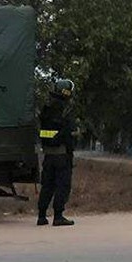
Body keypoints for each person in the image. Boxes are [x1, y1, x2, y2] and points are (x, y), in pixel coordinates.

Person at [37, 79, 79, 226]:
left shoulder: (46, 109)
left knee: (47, 185)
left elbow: (44, 133)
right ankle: (58, 216)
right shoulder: (65, 110)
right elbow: (69, 132)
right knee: (62, 185)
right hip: (62, 155)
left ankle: (41, 216)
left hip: (48, 155)